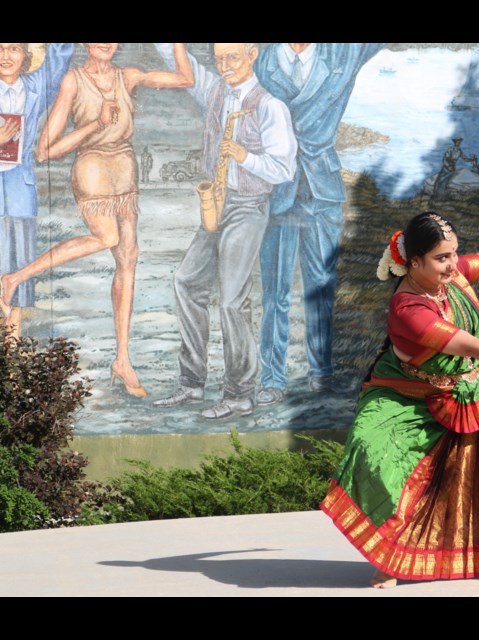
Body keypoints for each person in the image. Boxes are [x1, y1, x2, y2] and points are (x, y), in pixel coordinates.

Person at [322, 211, 479, 588]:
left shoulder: (450, 277)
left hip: (467, 390)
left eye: (454, 254)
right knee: (387, 463)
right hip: (411, 398)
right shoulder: (409, 309)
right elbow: (474, 346)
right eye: (442, 258)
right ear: (414, 263)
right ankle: (389, 560)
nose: (453, 263)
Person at [0, 43, 193, 396]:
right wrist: (93, 125)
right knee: (107, 238)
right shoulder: (73, 81)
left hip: (125, 168)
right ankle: (16, 276)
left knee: (128, 259)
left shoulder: (128, 76)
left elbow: (185, 79)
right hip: (91, 166)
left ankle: (122, 357)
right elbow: (44, 149)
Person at [151, 43, 297, 419]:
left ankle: (238, 393)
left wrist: (244, 156)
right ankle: (192, 383)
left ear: (252, 55)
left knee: (232, 300)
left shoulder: (270, 106)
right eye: (219, 60)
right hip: (216, 201)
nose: (225, 66)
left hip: (249, 207)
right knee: (186, 281)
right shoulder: (214, 88)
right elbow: (175, 57)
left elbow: (284, 170)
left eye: (233, 58)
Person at [253, 43, 383, 405]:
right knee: (275, 291)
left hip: (321, 191)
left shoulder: (342, 52)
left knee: (322, 286)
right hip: (278, 190)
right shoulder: (257, 55)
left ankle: (321, 374)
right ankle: (272, 378)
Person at [0, 43, 74, 340]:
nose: (6, 56)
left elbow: (59, 57)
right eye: (0, 48)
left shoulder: (34, 86)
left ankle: (12, 351)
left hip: (19, 189)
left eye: (14, 48)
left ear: (26, 55)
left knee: (18, 270)